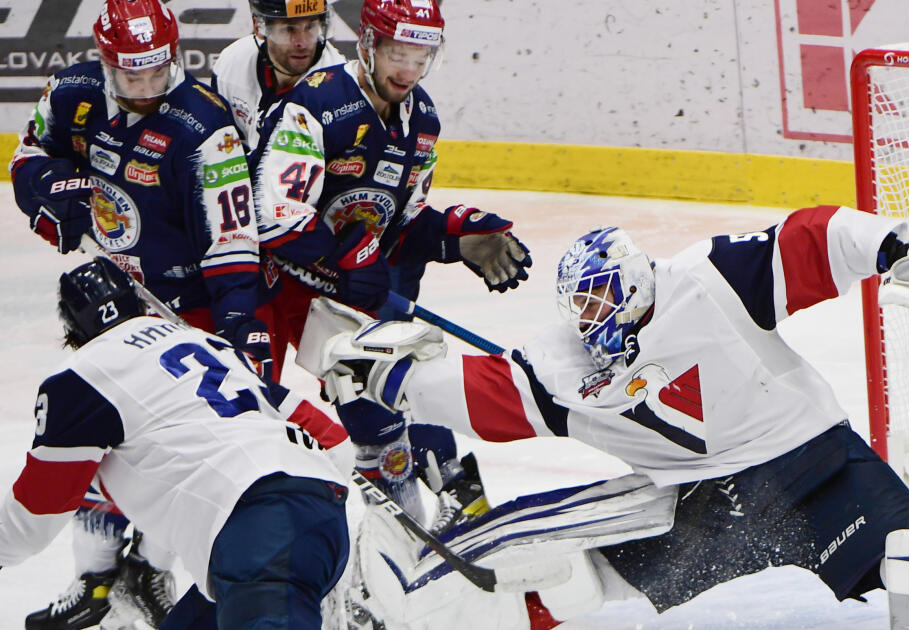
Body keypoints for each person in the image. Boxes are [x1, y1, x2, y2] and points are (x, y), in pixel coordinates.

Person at [313, 206, 909, 625]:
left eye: (601, 301)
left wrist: (891, 245)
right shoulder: (563, 362)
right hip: (704, 507)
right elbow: (483, 395)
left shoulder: (704, 280)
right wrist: (389, 374)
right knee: (570, 572)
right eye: (580, 306)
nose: (591, 319)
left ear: (637, 285)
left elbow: (807, 241)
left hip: (816, 463)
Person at [7, 0, 269, 625]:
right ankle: (95, 578)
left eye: (159, 72)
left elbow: (232, 245)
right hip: (108, 307)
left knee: (174, 457)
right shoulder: (73, 93)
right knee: (98, 440)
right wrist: (55, 191)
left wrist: (238, 328)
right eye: (133, 76)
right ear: (106, 63)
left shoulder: (206, 126)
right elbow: (27, 158)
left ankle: (149, 569)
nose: (149, 88)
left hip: (188, 312)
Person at [252, 0, 530, 532]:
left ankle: (420, 530)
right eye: (398, 53)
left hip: (337, 296)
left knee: (379, 401)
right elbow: (274, 218)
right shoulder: (312, 105)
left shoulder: (422, 120)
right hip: (267, 285)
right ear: (369, 45)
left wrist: (454, 236)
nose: (408, 70)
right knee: (244, 416)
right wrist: (347, 260)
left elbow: (400, 224)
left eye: (420, 56)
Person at [0, 258, 351, 630]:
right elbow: (336, 442)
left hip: (260, 537)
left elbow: (37, 512)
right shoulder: (209, 345)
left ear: (72, 332)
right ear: (140, 304)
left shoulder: (83, 376)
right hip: (313, 519)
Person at [211, 0, 347, 152]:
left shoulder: (340, 89)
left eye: (310, 27)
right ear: (259, 26)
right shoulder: (232, 64)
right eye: (289, 29)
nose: (302, 43)